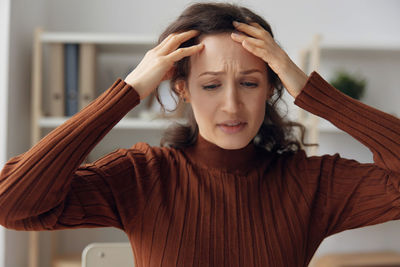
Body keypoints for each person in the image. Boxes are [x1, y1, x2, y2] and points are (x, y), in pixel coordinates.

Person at [0, 2, 399, 267]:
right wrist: (129, 93)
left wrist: (312, 92)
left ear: (273, 89)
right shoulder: (141, 176)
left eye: (249, 84)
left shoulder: (311, 183)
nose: (231, 106)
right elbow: (10, 202)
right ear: (182, 88)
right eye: (210, 85)